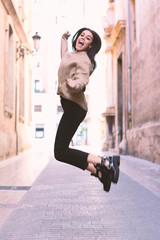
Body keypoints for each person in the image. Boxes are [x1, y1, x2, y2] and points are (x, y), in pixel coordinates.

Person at [54, 27, 120, 192]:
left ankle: (105, 162)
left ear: (90, 45)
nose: (83, 38)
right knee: (61, 152)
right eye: (82, 35)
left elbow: (83, 79)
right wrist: (64, 38)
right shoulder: (72, 55)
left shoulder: (84, 60)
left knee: (60, 151)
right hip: (71, 107)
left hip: (75, 108)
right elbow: (64, 57)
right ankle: (100, 173)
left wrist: (74, 84)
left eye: (88, 38)